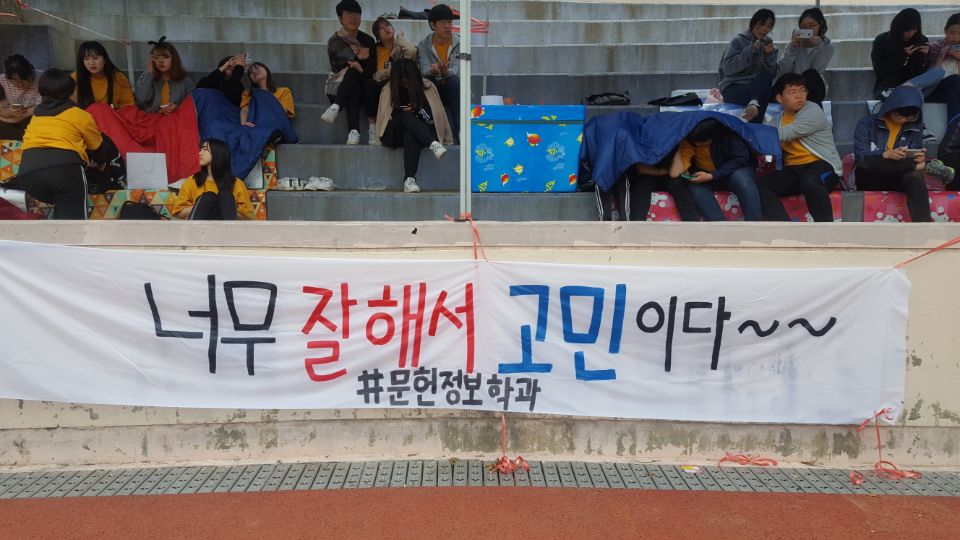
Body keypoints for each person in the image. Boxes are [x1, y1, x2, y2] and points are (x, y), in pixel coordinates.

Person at [85, 37, 200, 183]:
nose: (161, 61)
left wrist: (177, 107)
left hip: (172, 122)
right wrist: (149, 72)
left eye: (165, 57)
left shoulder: (185, 81)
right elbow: (140, 98)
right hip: (149, 120)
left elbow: (192, 105)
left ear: (174, 59)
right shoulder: (149, 77)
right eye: (156, 58)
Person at [16, 69, 111, 219]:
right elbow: (97, 147)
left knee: (62, 213)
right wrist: (101, 163)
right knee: (73, 222)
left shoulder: (37, 116)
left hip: (29, 174)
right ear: (70, 92)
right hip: (65, 171)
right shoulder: (80, 115)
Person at [852, 86, 948, 222]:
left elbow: (912, 154)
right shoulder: (866, 124)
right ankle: (924, 167)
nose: (904, 120)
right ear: (890, 108)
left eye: (910, 116)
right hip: (870, 176)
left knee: (915, 178)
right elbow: (861, 158)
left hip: (898, 175)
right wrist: (886, 154)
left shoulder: (915, 128)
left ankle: (924, 226)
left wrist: (917, 158)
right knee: (871, 162)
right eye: (900, 115)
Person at [193, 61, 298, 181]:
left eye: (257, 67)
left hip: (274, 124)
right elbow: (245, 109)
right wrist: (243, 122)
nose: (254, 71)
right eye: (250, 72)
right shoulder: (249, 93)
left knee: (265, 130)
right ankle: (229, 174)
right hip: (256, 124)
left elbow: (282, 112)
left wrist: (266, 98)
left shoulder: (283, 91)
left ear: (266, 70)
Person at [759, 73, 842, 222]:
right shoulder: (776, 120)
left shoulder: (813, 110)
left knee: (810, 181)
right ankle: (785, 228)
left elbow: (785, 134)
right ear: (780, 98)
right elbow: (768, 146)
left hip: (822, 165)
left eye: (803, 90)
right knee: (761, 185)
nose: (799, 96)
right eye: (792, 92)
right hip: (794, 170)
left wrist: (753, 134)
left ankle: (826, 230)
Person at [374, 59, 451, 193]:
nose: (406, 85)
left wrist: (418, 109)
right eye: (402, 82)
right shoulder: (388, 90)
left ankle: (409, 180)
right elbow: (385, 118)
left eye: (408, 81)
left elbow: (436, 115)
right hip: (394, 132)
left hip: (420, 132)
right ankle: (432, 144)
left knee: (411, 135)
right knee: (406, 117)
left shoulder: (427, 87)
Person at [678, 118, 763, 221]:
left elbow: (740, 159)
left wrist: (712, 175)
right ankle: (720, 224)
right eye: (695, 142)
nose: (698, 145)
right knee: (694, 186)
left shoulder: (730, 134)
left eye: (703, 142)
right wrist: (686, 171)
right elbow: (685, 158)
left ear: (714, 136)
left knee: (741, 177)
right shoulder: (689, 140)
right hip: (705, 175)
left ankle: (754, 223)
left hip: (732, 172)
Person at [321, 0, 379, 145]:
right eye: (348, 14)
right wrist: (358, 57)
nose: (353, 18)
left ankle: (337, 109)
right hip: (340, 85)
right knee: (352, 75)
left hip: (365, 85)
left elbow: (372, 68)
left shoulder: (368, 40)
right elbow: (338, 66)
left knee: (361, 77)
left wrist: (360, 68)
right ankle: (354, 131)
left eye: (357, 14)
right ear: (340, 18)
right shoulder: (335, 40)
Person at [718, 9, 778, 123]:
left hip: (756, 89)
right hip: (734, 88)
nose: (764, 29)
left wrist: (769, 55)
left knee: (766, 80)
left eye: (769, 26)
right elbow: (728, 69)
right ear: (753, 23)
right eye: (761, 24)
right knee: (763, 95)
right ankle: (755, 120)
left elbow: (771, 74)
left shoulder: (769, 47)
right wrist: (751, 50)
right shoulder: (738, 41)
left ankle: (753, 105)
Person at [170, 139, 254, 220]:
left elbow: (248, 217)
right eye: (201, 149)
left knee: (225, 196)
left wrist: (225, 208)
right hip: (199, 226)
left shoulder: (236, 183)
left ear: (217, 153)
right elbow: (178, 212)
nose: (200, 153)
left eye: (205, 150)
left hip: (225, 226)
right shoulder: (192, 181)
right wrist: (205, 206)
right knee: (208, 197)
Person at [613, 151, 702, 222]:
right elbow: (642, 169)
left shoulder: (674, 140)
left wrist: (665, 171)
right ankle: (637, 224)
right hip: (646, 176)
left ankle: (693, 224)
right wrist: (667, 171)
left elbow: (675, 173)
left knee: (678, 185)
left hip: (668, 176)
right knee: (642, 184)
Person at [417, 4, 461, 140]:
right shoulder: (423, 45)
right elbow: (425, 70)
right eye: (443, 23)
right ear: (432, 25)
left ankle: (460, 131)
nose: (448, 26)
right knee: (427, 82)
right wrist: (436, 71)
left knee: (454, 83)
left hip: (452, 88)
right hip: (433, 87)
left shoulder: (460, 43)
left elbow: (457, 71)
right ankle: (429, 131)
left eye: (450, 22)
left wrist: (445, 72)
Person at [778, 7, 834, 106]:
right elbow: (783, 69)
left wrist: (818, 45)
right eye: (804, 27)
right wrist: (792, 48)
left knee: (811, 75)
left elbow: (816, 71)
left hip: (814, 87)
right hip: (793, 85)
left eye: (812, 25)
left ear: (820, 25)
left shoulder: (826, 46)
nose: (808, 29)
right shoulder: (793, 45)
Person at [871, 8, 929, 98]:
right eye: (906, 30)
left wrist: (924, 56)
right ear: (898, 28)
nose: (910, 34)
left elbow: (919, 73)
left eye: (914, 29)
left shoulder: (921, 40)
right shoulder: (882, 41)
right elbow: (881, 72)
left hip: (912, 85)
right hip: (887, 86)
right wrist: (902, 56)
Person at [71, 41, 134, 109]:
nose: (91, 63)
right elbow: (70, 106)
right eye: (86, 59)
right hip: (84, 115)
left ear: (105, 59)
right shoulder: (75, 78)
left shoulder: (119, 77)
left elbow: (128, 106)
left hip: (113, 114)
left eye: (95, 58)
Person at [0, 54, 41, 139]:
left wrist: (24, 114)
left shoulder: (42, 78)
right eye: (14, 81)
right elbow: (1, 109)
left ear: (31, 72)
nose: (19, 84)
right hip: (8, 117)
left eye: (23, 80)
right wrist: (9, 112)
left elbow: (46, 105)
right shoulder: (2, 81)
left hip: (33, 116)